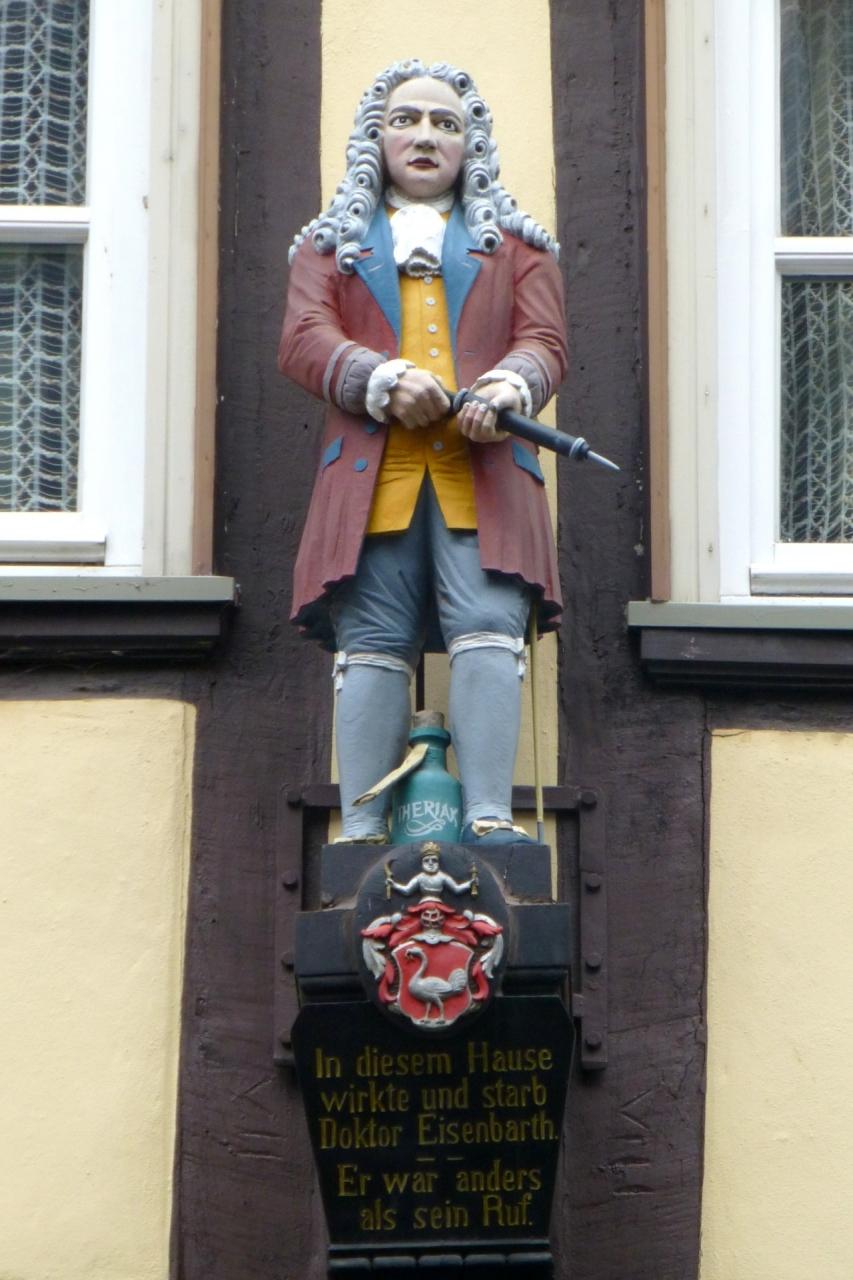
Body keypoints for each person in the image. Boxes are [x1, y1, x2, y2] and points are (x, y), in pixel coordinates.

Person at [278, 59, 567, 845]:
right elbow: (303, 338)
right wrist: (377, 376)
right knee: (371, 637)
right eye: (405, 120)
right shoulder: (329, 246)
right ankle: (361, 826)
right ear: (375, 139)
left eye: (445, 123)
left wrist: (508, 387)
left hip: (483, 476)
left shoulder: (517, 247)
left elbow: (544, 341)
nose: (425, 137)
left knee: (488, 625)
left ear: (471, 146)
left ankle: (490, 816)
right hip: (375, 480)